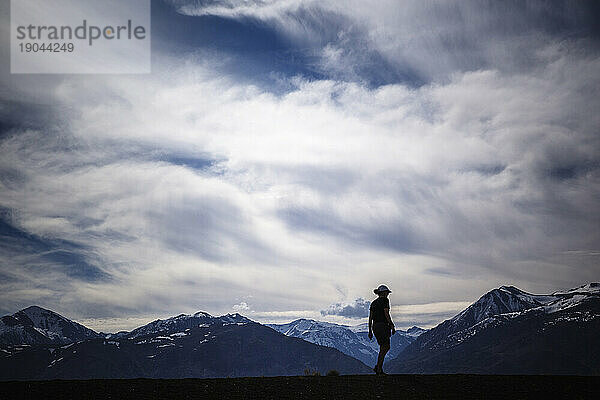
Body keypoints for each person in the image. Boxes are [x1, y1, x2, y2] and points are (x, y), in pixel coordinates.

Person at [368, 284, 395, 375]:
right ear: (384, 293)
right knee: (385, 347)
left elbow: (370, 317)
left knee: (382, 346)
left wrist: (370, 330)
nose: (387, 294)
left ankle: (378, 367)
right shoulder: (385, 300)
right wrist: (391, 324)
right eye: (387, 292)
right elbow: (386, 313)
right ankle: (378, 368)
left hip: (375, 326)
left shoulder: (373, 303)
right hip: (383, 326)